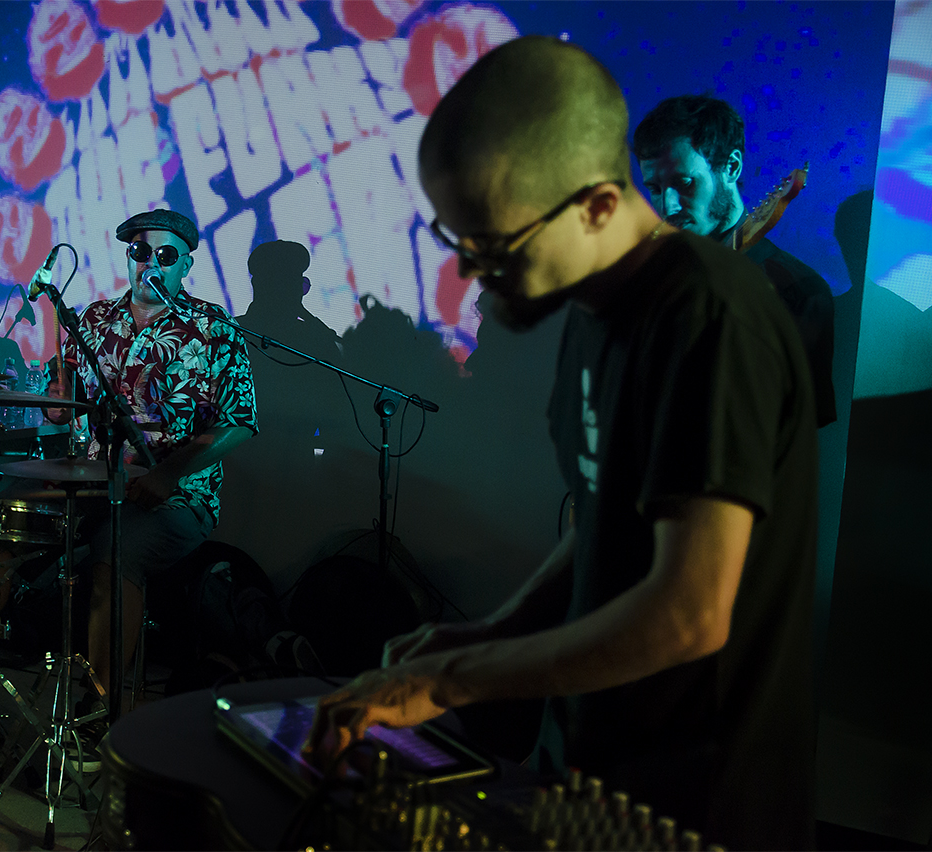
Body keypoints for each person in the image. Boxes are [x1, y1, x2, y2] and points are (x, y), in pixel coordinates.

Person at [304, 36, 818, 850]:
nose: (475, 273)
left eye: (496, 242)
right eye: (458, 240)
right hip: (592, 762)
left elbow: (689, 614)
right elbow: (607, 515)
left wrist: (454, 680)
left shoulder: (709, 317)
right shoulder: (594, 314)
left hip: (695, 798)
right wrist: (483, 633)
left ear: (599, 205)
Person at [44, 208, 257, 734]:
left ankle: (100, 710)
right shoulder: (94, 320)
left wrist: (168, 474)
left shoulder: (213, 328)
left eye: (165, 255)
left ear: (185, 264)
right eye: (141, 252)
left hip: (176, 496)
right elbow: (63, 403)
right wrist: (56, 398)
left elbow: (239, 422)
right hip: (93, 482)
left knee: (116, 551)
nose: (151, 264)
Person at [633, 94, 837, 427]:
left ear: (731, 167)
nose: (668, 206)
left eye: (684, 183)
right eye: (655, 188)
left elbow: (796, 428)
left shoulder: (797, 290)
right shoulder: (649, 280)